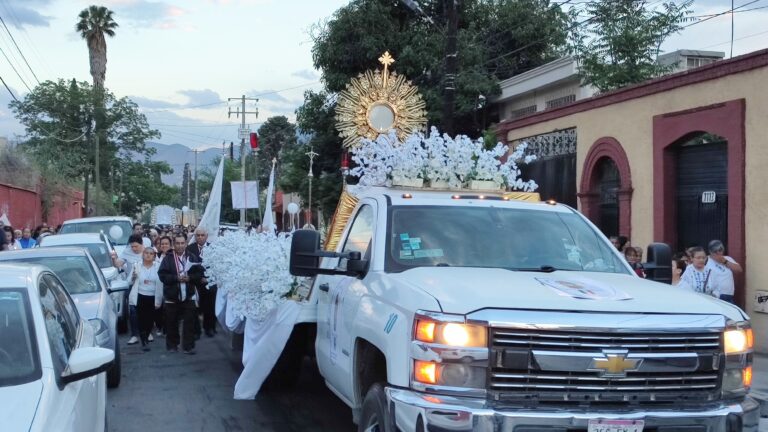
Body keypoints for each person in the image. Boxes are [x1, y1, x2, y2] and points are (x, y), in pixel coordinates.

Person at [158, 233, 198, 354]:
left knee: (189, 322)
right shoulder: (168, 259)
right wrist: (176, 278)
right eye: (177, 243)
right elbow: (162, 275)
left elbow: (199, 274)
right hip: (172, 296)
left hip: (189, 295)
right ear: (174, 245)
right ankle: (172, 345)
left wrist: (189, 278)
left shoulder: (192, 257)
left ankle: (188, 346)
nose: (180, 246)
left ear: (186, 243)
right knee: (171, 322)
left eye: (182, 243)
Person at [129, 248, 163, 351]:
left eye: (151, 254)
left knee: (150, 320)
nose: (148, 255)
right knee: (141, 319)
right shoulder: (137, 266)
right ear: (143, 254)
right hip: (140, 295)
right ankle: (144, 340)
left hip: (153, 296)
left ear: (154, 256)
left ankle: (147, 334)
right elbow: (129, 281)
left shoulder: (158, 266)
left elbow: (161, 283)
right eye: (146, 253)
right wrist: (133, 277)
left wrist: (159, 300)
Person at [113, 234, 145, 345]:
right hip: (132, 283)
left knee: (146, 308)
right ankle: (134, 335)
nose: (134, 249)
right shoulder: (127, 252)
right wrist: (114, 259)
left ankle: (147, 331)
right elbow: (118, 264)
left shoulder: (148, 251)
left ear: (142, 244)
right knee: (133, 310)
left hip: (146, 284)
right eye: (132, 246)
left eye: (136, 246)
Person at [186, 227, 216, 337]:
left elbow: (216, 267)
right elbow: (188, 267)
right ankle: (196, 330)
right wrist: (198, 278)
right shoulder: (189, 249)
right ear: (195, 237)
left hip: (209, 282)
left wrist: (208, 278)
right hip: (195, 283)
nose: (200, 237)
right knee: (194, 307)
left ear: (206, 236)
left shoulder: (213, 248)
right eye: (198, 235)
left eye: (202, 235)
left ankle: (209, 328)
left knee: (210, 307)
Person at [705, 239, 742, 304]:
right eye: (715, 251)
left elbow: (739, 270)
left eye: (720, 250)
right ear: (710, 252)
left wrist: (725, 262)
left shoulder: (727, 258)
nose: (718, 253)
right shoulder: (706, 261)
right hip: (715, 296)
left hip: (728, 295)